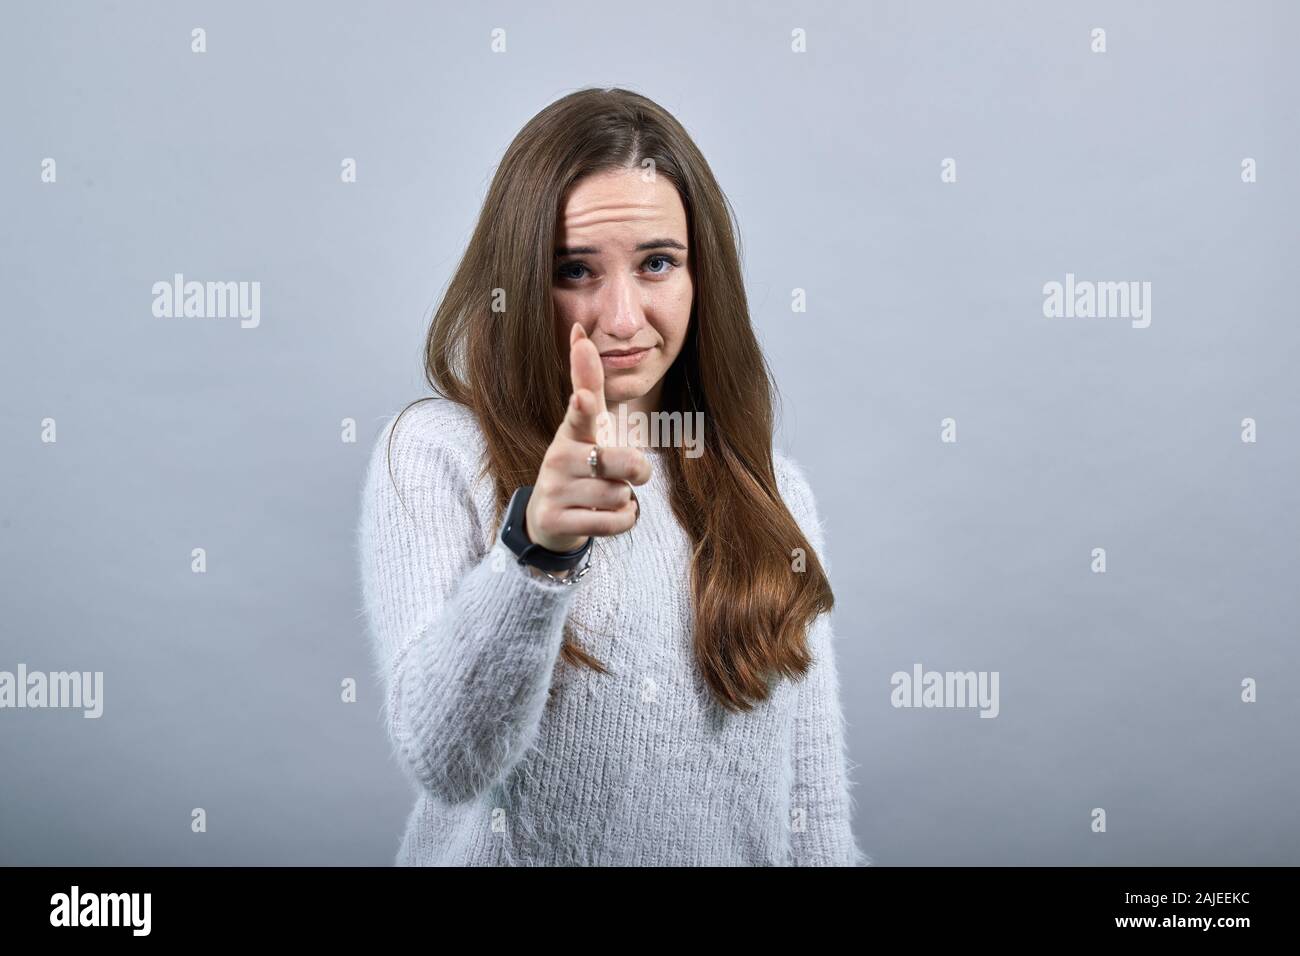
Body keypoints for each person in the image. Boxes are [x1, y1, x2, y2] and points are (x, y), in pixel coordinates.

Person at [357, 87, 868, 866]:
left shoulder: (769, 489)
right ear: (521, 281)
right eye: (575, 270)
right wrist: (536, 554)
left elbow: (815, 816)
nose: (622, 318)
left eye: (658, 263)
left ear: (702, 279)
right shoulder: (437, 452)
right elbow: (447, 763)